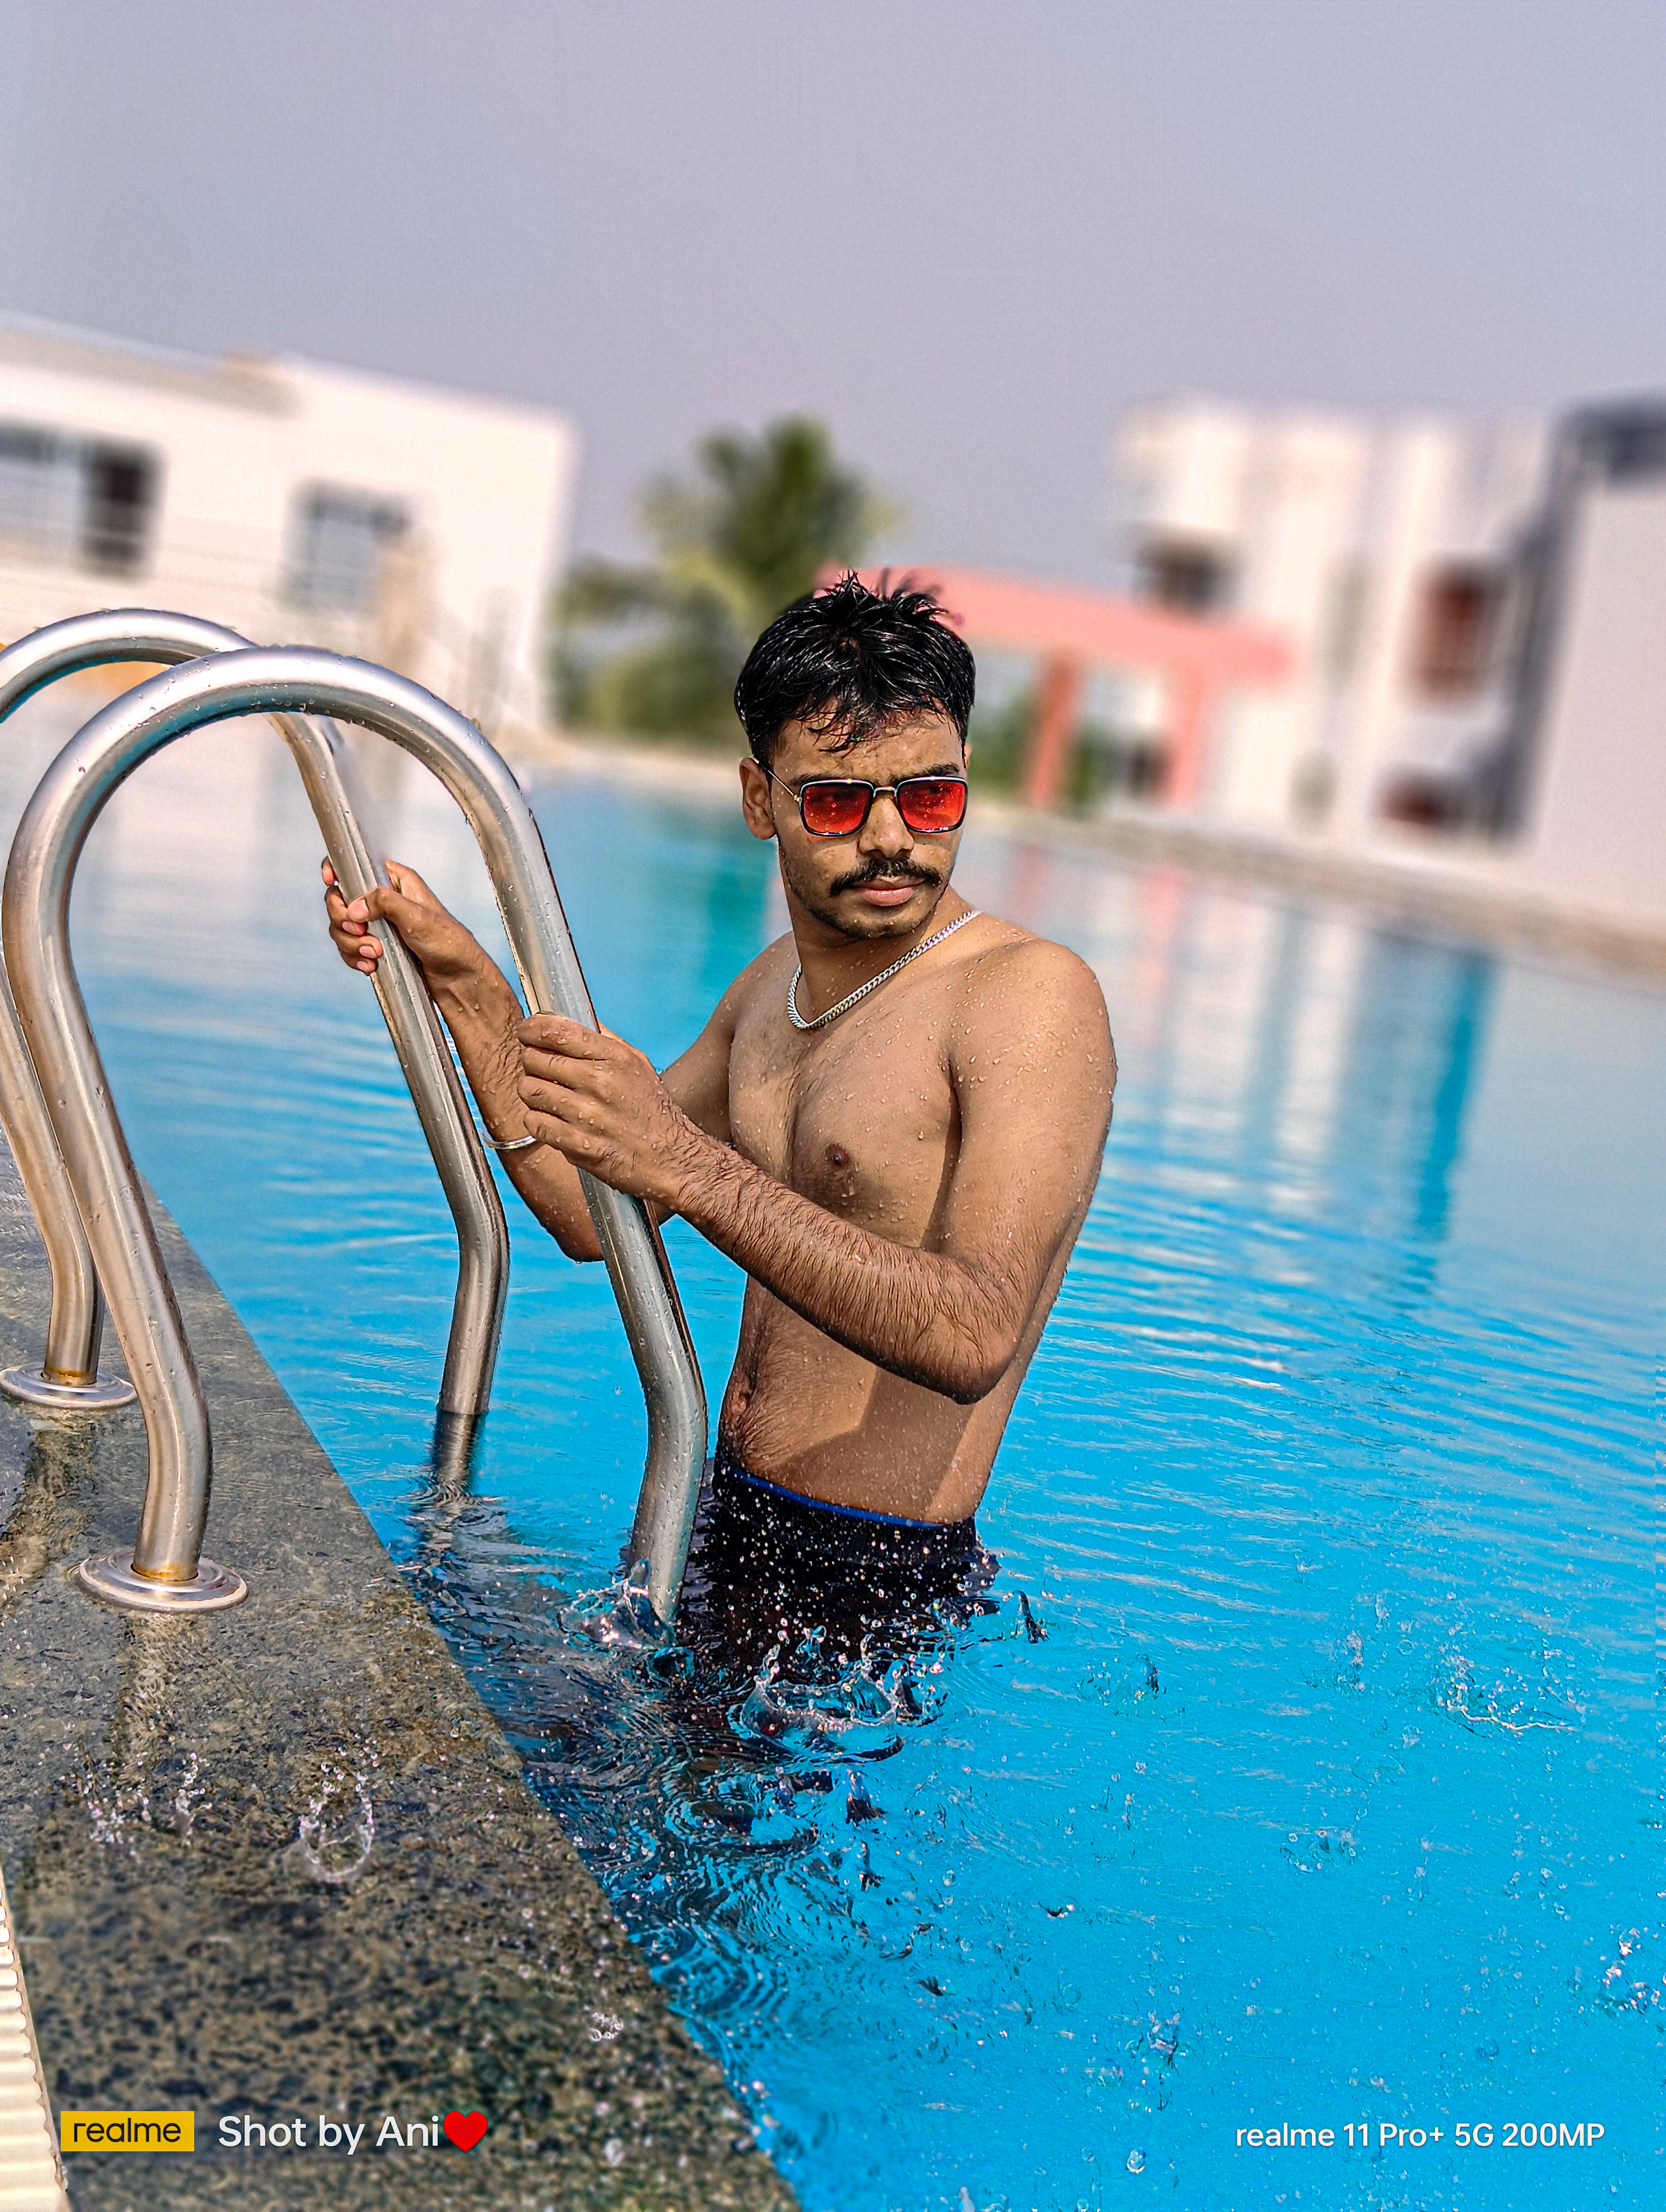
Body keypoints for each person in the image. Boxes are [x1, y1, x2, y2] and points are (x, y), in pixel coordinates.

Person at [324, 576, 1114, 1669]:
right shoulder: (775, 989)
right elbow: (589, 1212)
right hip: (723, 1519)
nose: (891, 838)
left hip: (865, 1583)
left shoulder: (1027, 1000)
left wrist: (687, 1164)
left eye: (930, 798)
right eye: (836, 803)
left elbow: (974, 1335)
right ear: (759, 797)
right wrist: (460, 980)